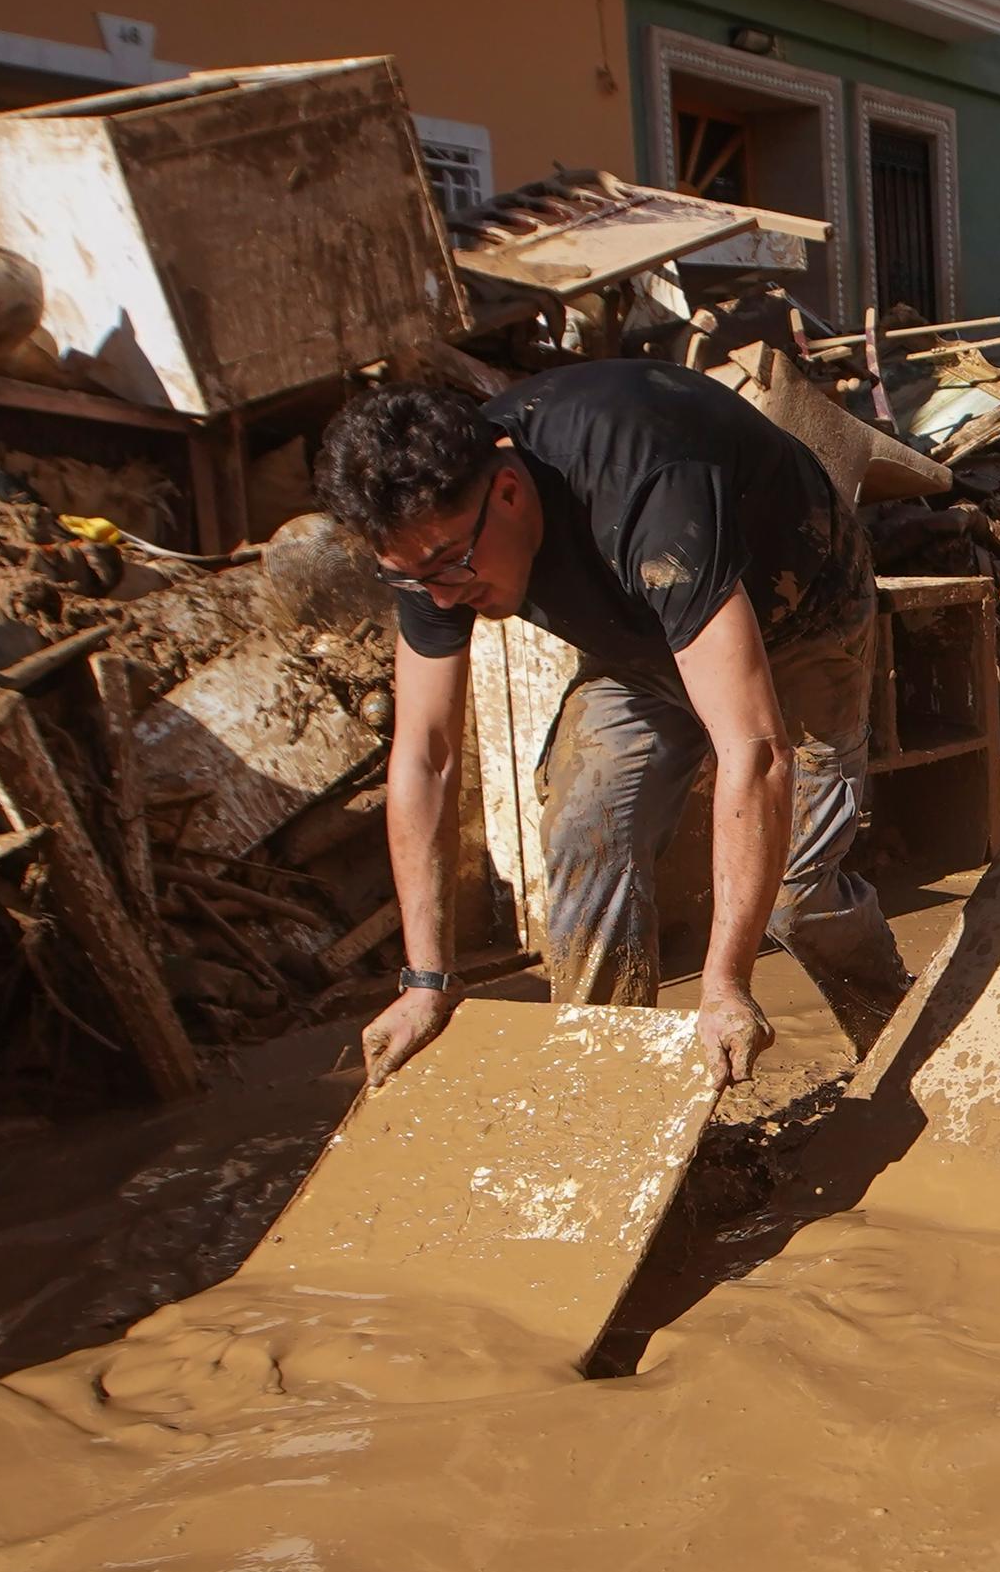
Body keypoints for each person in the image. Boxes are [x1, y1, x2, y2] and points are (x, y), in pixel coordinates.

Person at [319, 366, 908, 1092]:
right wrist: (425, 980)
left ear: (507, 493)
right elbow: (426, 758)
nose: (441, 598)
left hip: (800, 617)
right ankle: (608, 1097)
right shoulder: (433, 540)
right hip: (637, 646)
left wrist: (725, 983)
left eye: (448, 568)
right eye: (413, 580)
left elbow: (753, 750)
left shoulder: (645, 485)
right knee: (585, 828)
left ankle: (902, 1047)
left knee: (794, 891)